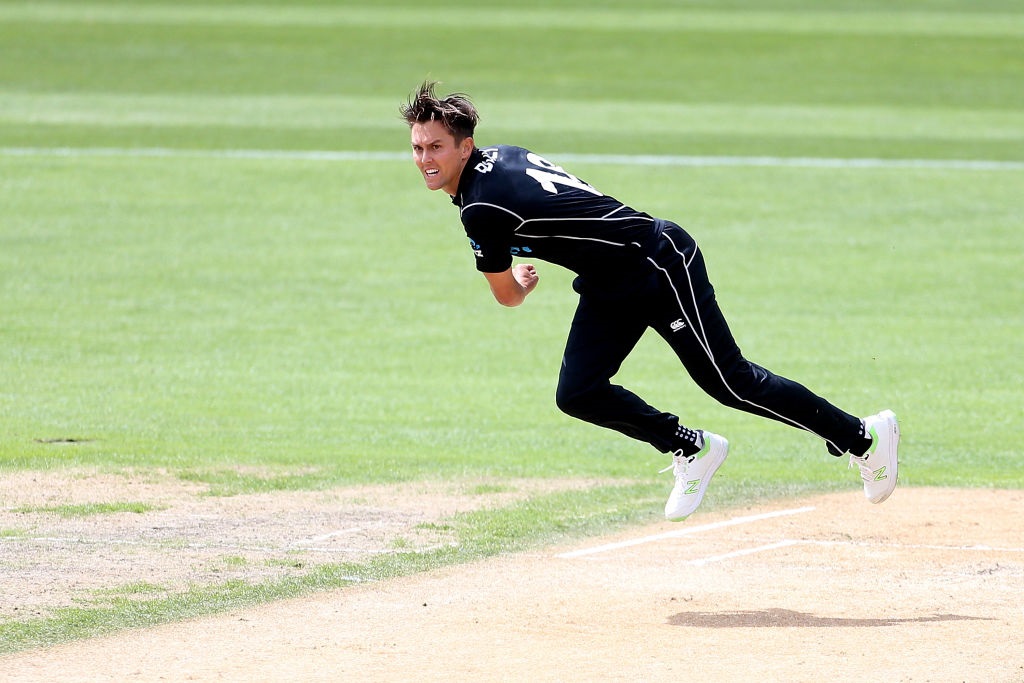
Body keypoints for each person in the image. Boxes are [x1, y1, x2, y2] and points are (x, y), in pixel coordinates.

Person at [400, 81, 899, 521]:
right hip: (608, 280)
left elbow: (506, 295)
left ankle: (864, 438)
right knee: (578, 393)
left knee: (730, 382)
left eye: (437, 147)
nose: (425, 159)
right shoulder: (503, 155)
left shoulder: (480, 208)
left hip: (656, 264)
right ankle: (691, 448)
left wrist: (524, 283)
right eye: (418, 147)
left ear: (465, 148)